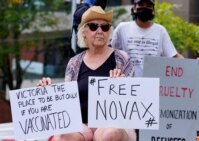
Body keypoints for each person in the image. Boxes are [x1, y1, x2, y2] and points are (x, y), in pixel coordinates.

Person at [37, 6, 136, 141]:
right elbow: (67, 101)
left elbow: (133, 101)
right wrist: (48, 92)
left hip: (113, 122)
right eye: (94, 26)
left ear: (109, 32)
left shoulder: (122, 58)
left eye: (105, 27)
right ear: (84, 32)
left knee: (111, 134)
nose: (100, 31)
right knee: (63, 137)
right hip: (81, 124)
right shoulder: (74, 62)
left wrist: (122, 85)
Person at [111, 0, 184, 77]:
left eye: (148, 6)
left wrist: (196, 65)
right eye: (141, 5)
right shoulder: (122, 28)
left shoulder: (160, 31)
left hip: (152, 84)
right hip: (128, 85)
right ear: (135, 8)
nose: (144, 8)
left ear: (153, 10)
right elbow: (110, 52)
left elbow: (174, 56)